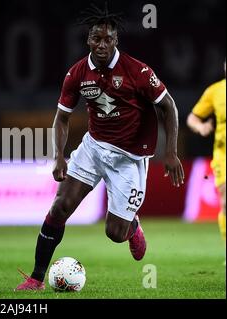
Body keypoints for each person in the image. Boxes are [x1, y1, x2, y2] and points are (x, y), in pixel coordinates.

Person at [16, 4, 184, 290]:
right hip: (93, 148)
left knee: (114, 233)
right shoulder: (77, 74)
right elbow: (62, 118)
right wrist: (59, 157)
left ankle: (131, 226)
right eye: (96, 38)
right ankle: (36, 278)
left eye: (108, 39)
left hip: (130, 159)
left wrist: (170, 152)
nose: (102, 44)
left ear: (116, 40)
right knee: (60, 208)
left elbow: (168, 106)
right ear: (88, 40)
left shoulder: (137, 71)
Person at [186, 61, 225, 265]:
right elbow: (192, 118)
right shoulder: (215, 91)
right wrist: (200, 128)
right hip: (223, 155)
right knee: (226, 202)